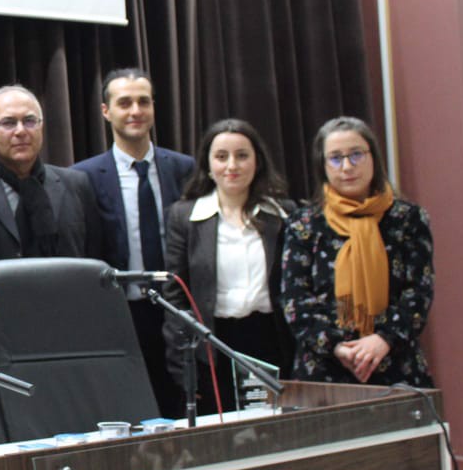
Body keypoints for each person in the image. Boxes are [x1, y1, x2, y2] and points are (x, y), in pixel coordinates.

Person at [73, 68, 194, 416]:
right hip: (120, 312)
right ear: (106, 111)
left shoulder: (185, 169)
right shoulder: (83, 177)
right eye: (124, 103)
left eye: (143, 102)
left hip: (176, 309)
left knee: (181, 406)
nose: (135, 111)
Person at [281, 117, 434, 387]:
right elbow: (296, 300)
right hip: (324, 369)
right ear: (322, 165)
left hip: (395, 362)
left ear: (373, 157)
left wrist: (382, 340)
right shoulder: (303, 224)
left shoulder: (407, 218)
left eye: (356, 155)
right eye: (335, 158)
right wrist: (339, 347)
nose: (347, 167)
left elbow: (418, 292)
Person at [161, 119, 295, 414]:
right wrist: (183, 366)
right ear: (208, 165)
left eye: (242, 155)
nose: (232, 165)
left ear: (257, 162)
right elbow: (174, 296)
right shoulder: (184, 217)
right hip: (214, 347)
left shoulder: (284, 214)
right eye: (221, 157)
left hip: (271, 340)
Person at [0, 84, 105, 261]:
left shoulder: (76, 183)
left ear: (41, 127)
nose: (21, 131)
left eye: (29, 121)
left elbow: (97, 258)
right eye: (8, 123)